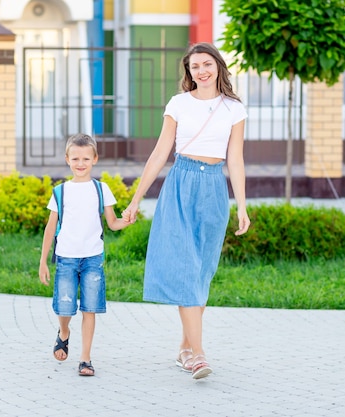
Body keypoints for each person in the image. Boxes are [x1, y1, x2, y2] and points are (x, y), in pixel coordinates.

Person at [122, 42, 251, 380]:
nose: (201, 71)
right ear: (189, 72)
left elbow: (235, 159)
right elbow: (160, 152)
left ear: (218, 67)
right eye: (195, 66)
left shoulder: (234, 109)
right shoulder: (178, 104)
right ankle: (199, 356)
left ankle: (184, 349)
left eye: (207, 64)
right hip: (180, 184)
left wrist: (242, 205)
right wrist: (137, 199)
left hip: (214, 189)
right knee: (185, 269)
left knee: (202, 272)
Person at [39, 133, 132, 377]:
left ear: (95, 159)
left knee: (89, 309)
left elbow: (112, 223)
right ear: (67, 159)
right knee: (64, 308)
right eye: (76, 158)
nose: (81, 164)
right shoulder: (60, 192)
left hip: (92, 258)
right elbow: (51, 228)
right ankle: (64, 332)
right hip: (66, 258)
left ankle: (85, 358)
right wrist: (43, 261)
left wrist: (128, 220)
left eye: (86, 159)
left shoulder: (101, 189)